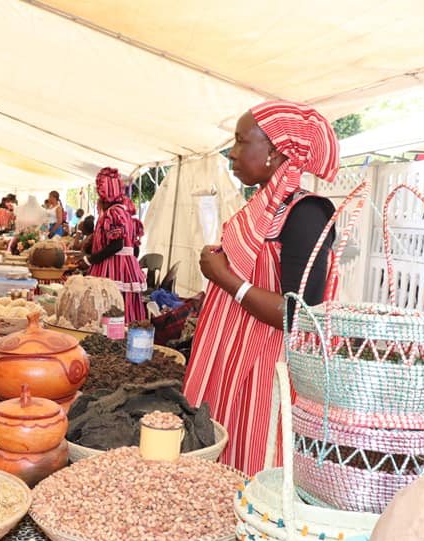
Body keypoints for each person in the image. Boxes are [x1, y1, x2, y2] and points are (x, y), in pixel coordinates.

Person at [184, 101, 339, 477]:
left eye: (241, 141)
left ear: (275, 151)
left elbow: (298, 313)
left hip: (269, 374)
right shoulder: (262, 208)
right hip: (235, 360)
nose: (232, 153)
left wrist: (225, 278)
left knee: (254, 463)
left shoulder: (306, 213)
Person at [83, 168, 147, 324]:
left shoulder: (113, 213)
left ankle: (111, 335)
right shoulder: (125, 213)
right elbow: (134, 249)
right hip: (125, 268)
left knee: (110, 308)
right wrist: (129, 265)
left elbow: (117, 244)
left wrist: (91, 260)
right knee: (124, 310)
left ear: (104, 196)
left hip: (111, 270)